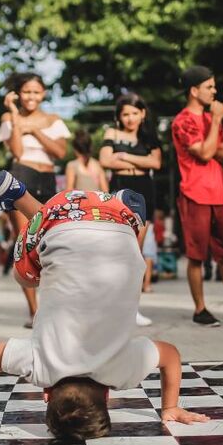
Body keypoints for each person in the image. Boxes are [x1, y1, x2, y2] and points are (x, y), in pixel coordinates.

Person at [0, 171, 207, 441]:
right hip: (60, 222)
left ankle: (130, 213)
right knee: (25, 279)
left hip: (118, 224)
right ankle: (16, 194)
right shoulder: (42, 367)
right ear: (47, 394)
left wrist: (169, 407)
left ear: (108, 395)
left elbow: (170, 356)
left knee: (120, 263)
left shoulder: (122, 371)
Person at [171, 66, 223, 326]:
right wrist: (215, 124)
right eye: (209, 86)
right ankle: (200, 309)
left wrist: (211, 140)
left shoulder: (208, 119)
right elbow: (207, 153)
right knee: (197, 256)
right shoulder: (182, 121)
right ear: (194, 91)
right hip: (195, 194)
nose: (215, 91)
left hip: (219, 194)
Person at [0, 73, 70, 326]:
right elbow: (17, 151)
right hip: (22, 175)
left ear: (44, 94)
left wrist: (36, 130)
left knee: (52, 242)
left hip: (48, 179)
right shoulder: (9, 118)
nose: (31, 97)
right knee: (26, 243)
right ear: (18, 94)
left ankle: (53, 305)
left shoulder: (53, 120)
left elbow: (60, 152)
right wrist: (15, 116)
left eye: (36, 92)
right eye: (26, 92)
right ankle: (34, 311)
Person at [101, 92, 162, 325]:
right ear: (119, 116)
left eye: (135, 113)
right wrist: (140, 160)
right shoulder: (111, 133)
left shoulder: (149, 137)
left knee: (136, 251)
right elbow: (106, 160)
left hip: (144, 190)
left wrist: (124, 155)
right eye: (125, 113)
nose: (130, 118)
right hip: (120, 189)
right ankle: (112, 306)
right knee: (118, 249)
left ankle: (130, 308)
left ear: (143, 113)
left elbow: (156, 163)